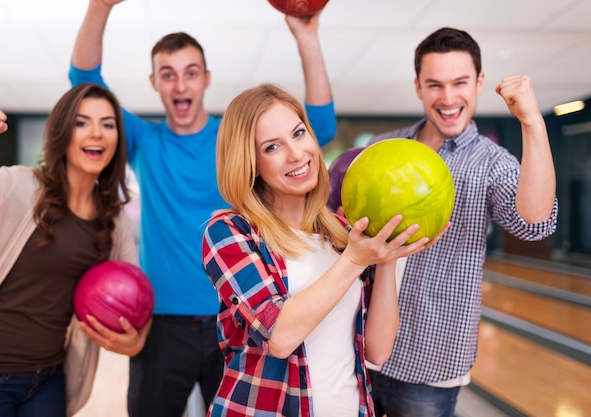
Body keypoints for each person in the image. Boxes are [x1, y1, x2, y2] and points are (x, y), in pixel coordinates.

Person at [69, 1, 338, 415]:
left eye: (190, 73)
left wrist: (308, 37)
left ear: (206, 79)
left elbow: (320, 128)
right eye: (168, 75)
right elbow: (83, 82)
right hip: (161, 322)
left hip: (238, 317)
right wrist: (100, 6)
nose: (181, 85)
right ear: (154, 82)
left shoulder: (234, 142)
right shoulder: (143, 139)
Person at [201, 83, 448, 417]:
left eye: (299, 133)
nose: (296, 154)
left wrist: (385, 259)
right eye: (272, 146)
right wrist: (355, 260)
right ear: (250, 162)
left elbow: (378, 351)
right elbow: (279, 336)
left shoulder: (342, 235)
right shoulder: (231, 232)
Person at [364, 27, 558, 417]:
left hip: (430, 363)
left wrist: (533, 123)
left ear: (480, 82)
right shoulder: (386, 149)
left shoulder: (490, 164)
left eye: (460, 83)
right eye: (435, 85)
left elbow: (536, 225)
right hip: (360, 349)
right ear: (418, 86)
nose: (448, 98)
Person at [0, 84, 150, 417]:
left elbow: (137, 297)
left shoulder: (114, 218)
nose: (97, 133)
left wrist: (135, 341)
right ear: (63, 132)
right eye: (82, 122)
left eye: (108, 124)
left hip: (48, 377)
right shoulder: (15, 185)